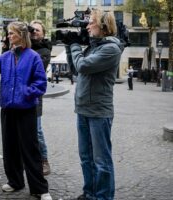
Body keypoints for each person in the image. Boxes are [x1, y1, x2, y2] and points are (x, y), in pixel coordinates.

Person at [0, 21, 52, 200]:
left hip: (26, 109)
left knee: (30, 150)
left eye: (11, 33)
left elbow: (41, 84)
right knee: (10, 148)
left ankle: (40, 189)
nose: (8, 36)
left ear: (21, 34)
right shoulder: (5, 57)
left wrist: (24, 93)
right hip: (8, 109)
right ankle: (15, 181)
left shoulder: (33, 56)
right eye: (8, 33)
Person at [64, 9, 124, 200]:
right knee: (86, 158)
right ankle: (90, 193)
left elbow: (83, 65)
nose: (87, 26)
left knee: (101, 161)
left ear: (104, 26)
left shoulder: (111, 48)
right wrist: (69, 46)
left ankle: (103, 197)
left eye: (91, 23)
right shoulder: (93, 47)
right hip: (83, 109)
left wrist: (74, 46)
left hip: (99, 111)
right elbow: (75, 70)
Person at [30, 20, 52, 176]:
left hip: (35, 95)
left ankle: (44, 160)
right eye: (32, 30)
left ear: (43, 33)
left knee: (37, 130)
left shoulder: (44, 51)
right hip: (20, 94)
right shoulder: (23, 47)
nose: (34, 32)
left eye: (38, 30)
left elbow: (36, 69)